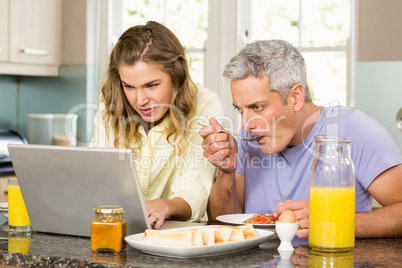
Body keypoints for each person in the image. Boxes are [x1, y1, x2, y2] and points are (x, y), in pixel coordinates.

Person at [200, 39, 402, 238]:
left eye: (257, 107)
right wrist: (226, 172)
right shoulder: (251, 135)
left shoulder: (355, 130)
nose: (246, 125)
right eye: (239, 110)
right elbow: (224, 223)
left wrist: (333, 222)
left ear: (296, 97)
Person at [90, 21, 222, 229]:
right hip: (118, 229)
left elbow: (195, 189)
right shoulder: (110, 104)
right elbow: (98, 175)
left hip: (177, 236)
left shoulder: (205, 104)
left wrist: (163, 206)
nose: (140, 100)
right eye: (129, 86)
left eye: (151, 85)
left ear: (176, 75)